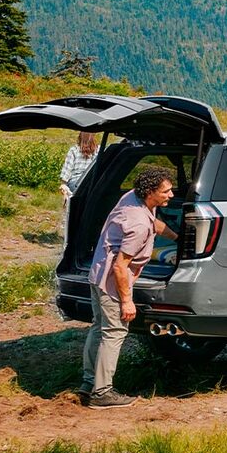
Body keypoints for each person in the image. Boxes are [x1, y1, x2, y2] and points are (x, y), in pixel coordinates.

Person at [80, 166, 178, 408]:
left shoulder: (133, 197)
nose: (172, 194)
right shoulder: (138, 225)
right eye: (166, 191)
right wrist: (127, 301)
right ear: (150, 192)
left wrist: (178, 237)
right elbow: (120, 266)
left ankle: (89, 384)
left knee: (99, 328)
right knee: (114, 333)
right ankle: (102, 393)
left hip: (97, 273)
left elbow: (153, 223)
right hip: (112, 280)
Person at [59, 132, 99, 242]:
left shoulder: (74, 150)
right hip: (91, 182)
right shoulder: (98, 150)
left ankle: (71, 233)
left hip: (76, 182)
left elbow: (67, 169)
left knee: (73, 208)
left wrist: (63, 183)